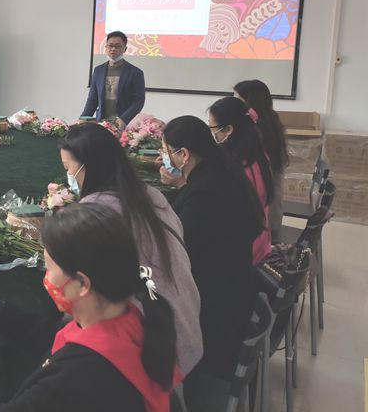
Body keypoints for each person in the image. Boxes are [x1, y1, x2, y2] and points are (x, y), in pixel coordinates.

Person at [0, 203, 178, 412]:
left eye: (50, 268)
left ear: (82, 283)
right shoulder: (128, 319)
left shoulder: (77, 378)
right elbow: (56, 335)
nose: (46, 277)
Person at [59, 123, 202, 377]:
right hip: (188, 329)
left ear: (88, 167)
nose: (68, 175)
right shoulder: (149, 193)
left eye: (68, 167)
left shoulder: (97, 212)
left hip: (157, 356)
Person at [160, 116, 260, 411]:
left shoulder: (205, 192)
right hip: (235, 287)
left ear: (183, 154)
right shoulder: (220, 170)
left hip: (215, 310)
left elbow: (178, 246)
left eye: (166, 151)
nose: (164, 157)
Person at [208, 96, 274, 265]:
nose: (212, 134)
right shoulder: (259, 155)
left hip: (243, 251)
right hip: (262, 241)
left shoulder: (231, 165)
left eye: (213, 128)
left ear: (228, 129)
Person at [234, 79, 289, 239]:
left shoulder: (255, 133)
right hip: (270, 211)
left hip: (262, 222)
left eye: (238, 100)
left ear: (251, 103)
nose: (234, 105)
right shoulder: (270, 123)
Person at [81, 31, 145, 129]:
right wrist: (83, 118)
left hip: (123, 124)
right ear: (106, 47)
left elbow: (138, 102)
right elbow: (92, 99)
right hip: (101, 123)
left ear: (125, 49)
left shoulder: (135, 73)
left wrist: (124, 119)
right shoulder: (98, 70)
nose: (113, 49)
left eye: (118, 46)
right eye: (110, 45)